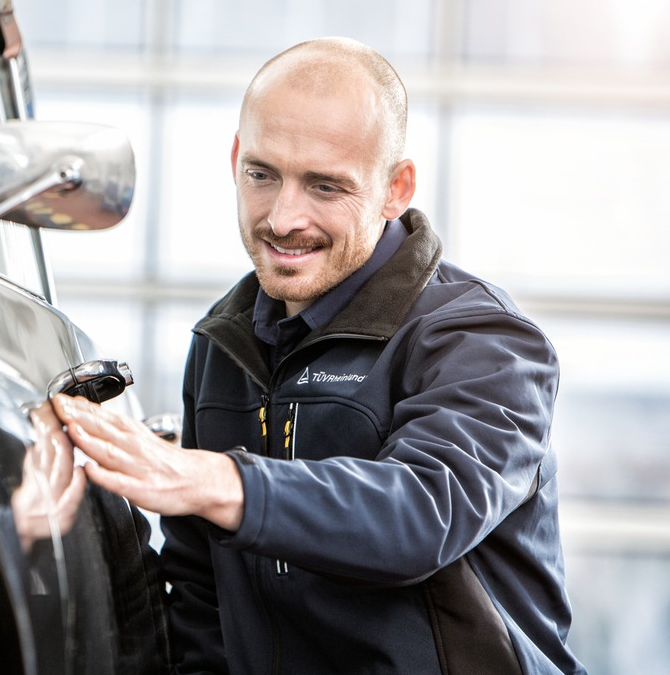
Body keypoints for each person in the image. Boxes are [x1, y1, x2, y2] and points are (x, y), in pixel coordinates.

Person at [51, 36, 585, 674]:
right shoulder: (223, 342)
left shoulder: (483, 342)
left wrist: (217, 479)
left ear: (395, 189)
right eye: (262, 174)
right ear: (234, 160)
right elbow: (202, 595)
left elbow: (420, 513)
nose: (283, 217)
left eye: (325, 187)